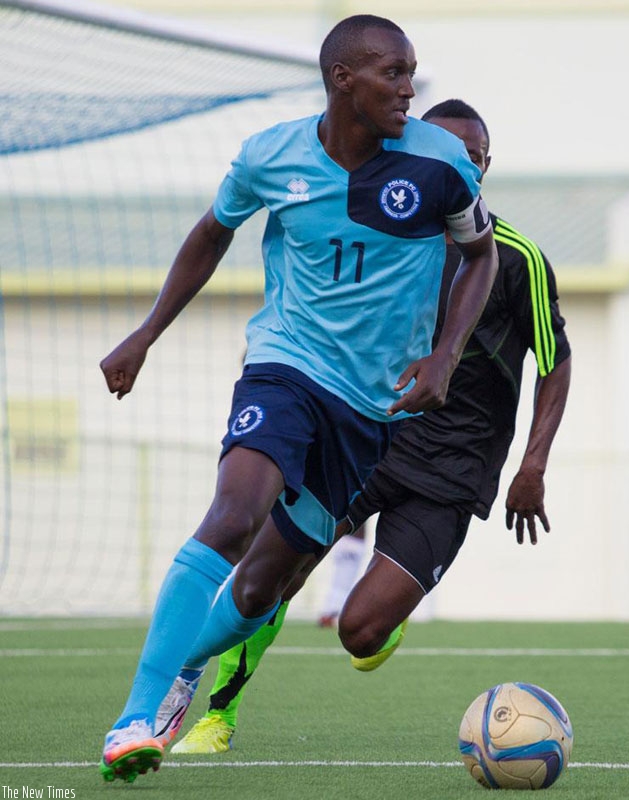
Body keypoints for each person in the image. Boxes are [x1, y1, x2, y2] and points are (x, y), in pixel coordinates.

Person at [98, 15, 497, 783]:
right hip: (286, 365)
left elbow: (477, 256)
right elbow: (211, 234)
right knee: (234, 515)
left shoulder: (443, 163)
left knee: (263, 587)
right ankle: (132, 720)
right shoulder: (268, 156)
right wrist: (145, 334)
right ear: (344, 79)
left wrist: (445, 354)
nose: (409, 87)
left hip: (370, 410)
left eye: (412, 71)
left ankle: (187, 668)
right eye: (393, 73)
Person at [167, 98, 571, 755]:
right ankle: (217, 713)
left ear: (485, 169)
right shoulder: (377, 230)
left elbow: (557, 363)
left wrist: (533, 466)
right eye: (441, 150)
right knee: (275, 573)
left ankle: (388, 611)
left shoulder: (516, 258)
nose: (455, 167)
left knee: (359, 630)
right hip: (366, 438)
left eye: (471, 159)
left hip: (454, 469)